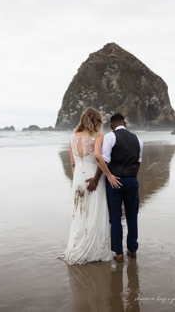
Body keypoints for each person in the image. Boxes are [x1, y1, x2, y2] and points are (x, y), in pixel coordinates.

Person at [60, 108, 115, 264]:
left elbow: (72, 162)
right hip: (93, 177)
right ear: (96, 121)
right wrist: (109, 174)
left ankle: (77, 246)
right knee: (96, 211)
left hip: (78, 178)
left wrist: (77, 178)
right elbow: (98, 156)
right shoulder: (97, 137)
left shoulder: (72, 138)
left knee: (80, 213)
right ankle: (93, 250)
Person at [92, 113, 143, 262]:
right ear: (125, 124)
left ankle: (119, 253)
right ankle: (132, 250)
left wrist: (97, 178)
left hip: (114, 181)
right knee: (132, 216)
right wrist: (132, 177)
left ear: (111, 126)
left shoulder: (110, 137)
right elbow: (138, 162)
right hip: (132, 180)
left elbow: (104, 161)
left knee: (115, 218)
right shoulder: (138, 139)